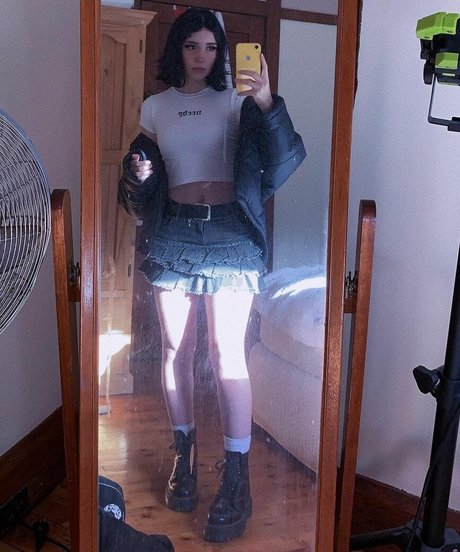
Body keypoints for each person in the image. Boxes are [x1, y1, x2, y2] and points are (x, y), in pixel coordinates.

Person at [118, 7, 306, 543]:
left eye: (210, 46)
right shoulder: (155, 107)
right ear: (177, 49)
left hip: (230, 233)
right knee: (175, 350)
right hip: (174, 231)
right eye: (191, 45)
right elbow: (139, 179)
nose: (201, 56)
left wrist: (266, 100)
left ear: (222, 52)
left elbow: (285, 159)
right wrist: (139, 171)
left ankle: (237, 479)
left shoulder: (238, 100)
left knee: (227, 354)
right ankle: (185, 456)